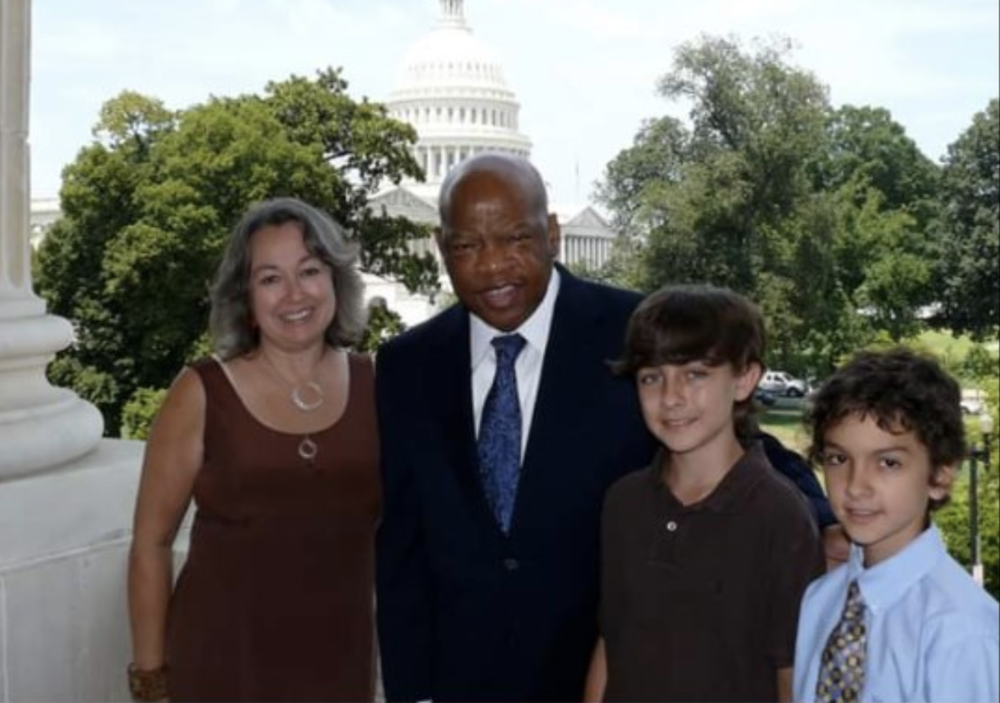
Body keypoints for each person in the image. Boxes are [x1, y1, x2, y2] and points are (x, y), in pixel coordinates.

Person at [374, 152, 836, 702]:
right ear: (441, 248)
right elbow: (402, 544)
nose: (493, 265)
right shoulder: (407, 365)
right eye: (467, 246)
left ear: (552, 234)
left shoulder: (633, 335)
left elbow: (735, 436)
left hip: (597, 671)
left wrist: (828, 520)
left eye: (516, 239)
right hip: (462, 678)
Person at [127, 197, 380, 702]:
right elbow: (151, 544)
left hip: (339, 668)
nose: (294, 294)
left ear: (335, 279)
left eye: (308, 270)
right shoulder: (201, 392)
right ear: (245, 294)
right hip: (221, 667)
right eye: (270, 278)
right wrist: (151, 683)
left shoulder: (377, 384)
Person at [584, 285, 825, 703]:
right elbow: (611, 642)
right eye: (651, 377)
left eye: (695, 374)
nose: (671, 397)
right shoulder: (622, 502)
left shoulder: (780, 515)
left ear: (745, 379)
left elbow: (793, 675)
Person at [793, 348, 999, 703]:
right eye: (839, 459)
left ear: (940, 475)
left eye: (888, 462)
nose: (856, 485)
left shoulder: (960, 631)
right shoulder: (820, 600)